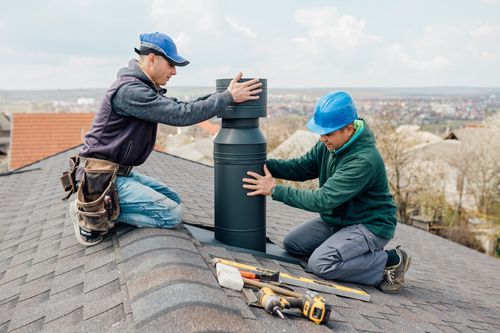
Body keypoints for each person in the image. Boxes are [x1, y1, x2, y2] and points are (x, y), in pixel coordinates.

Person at [69, 32, 262, 247]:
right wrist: (228, 97)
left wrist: (223, 94)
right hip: (100, 179)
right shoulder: (130, 91)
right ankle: (91, 212)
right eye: (171, 64)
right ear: (152, 58)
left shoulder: (142, 87)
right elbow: (181, 114)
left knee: (173, 200)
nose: (174, 72)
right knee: (171, 214)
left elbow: (181, 105)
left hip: (118, 174)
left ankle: (104, 206)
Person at [242, 91, 411, 293]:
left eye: (327, 134)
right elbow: (302, 168)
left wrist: (274, 189)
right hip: (340, 220)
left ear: (349, 129)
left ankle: (388, 262)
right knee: (293, 244)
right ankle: (345, 251)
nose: (322, 139)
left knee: (320, 264)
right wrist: (262, 164)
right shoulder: (331, 145)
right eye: (321, 133)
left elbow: (322, 200)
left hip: (370, 225)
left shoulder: (363, 160)